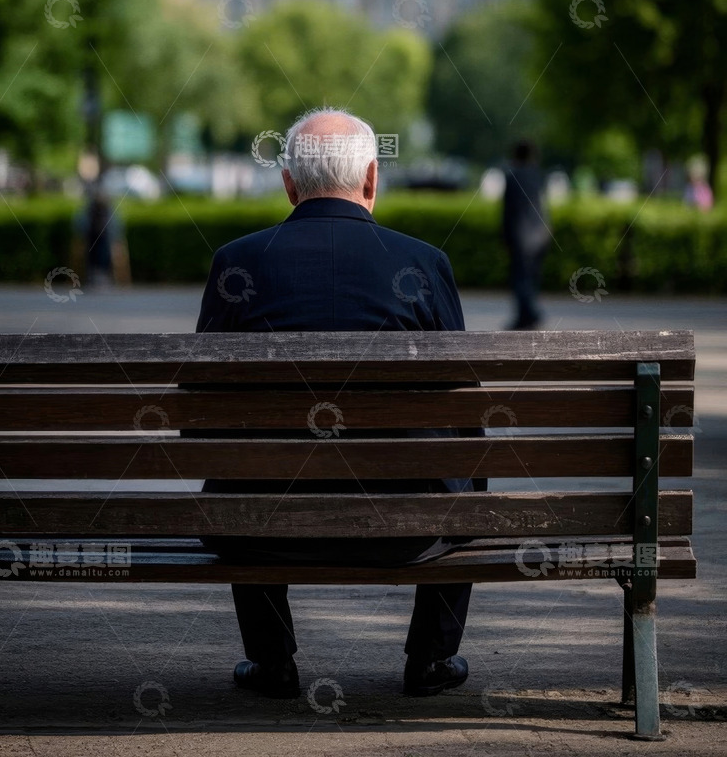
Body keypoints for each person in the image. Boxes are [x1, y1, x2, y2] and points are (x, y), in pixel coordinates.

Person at [195, 108, 479, 700]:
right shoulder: (424, 264)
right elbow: (465, 414)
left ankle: (272, 662)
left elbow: (202, 417)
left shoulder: (236, 263)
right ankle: (430, 659)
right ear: (372, 180)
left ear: (289, 185)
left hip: (259, 527)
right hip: (405, 528)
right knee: (467, 475)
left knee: (240, 465)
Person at [502, 140, 550, 330]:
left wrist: (505, 236)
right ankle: (527, 315)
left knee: (519, 278)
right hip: (541, 233)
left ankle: (529, 314)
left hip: (521, 235)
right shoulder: (539, 176)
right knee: (532, 277)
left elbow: (508, 211)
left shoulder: (512, 177)